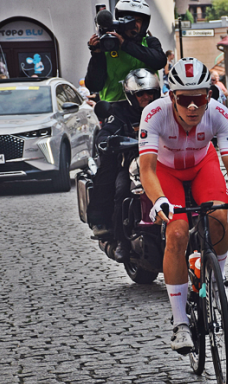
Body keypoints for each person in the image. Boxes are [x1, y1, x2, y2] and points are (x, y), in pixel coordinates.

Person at [137, 57, 228, 353]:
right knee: (177, 234)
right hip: (165, 172)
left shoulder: (219, 113)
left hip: (202, 165)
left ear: (209, 96)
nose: (192, 107)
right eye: (184, 100)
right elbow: (147, 169)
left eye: (199, 98)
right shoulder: (153, 114)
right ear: (171, 97)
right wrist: (160, 202)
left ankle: (218, 282)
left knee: (219, 217)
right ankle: (181, 323)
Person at [88, 68, 161, 261]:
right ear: (131, 95)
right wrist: (106, 140)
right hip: (132, 164)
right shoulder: (121, 112)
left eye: (150, 93)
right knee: (122, 190)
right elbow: (107, 130)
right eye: (141, 94)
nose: (147, 97)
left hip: (164, 161)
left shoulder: (165, 109)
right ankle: (122, 241)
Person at [85, 0, 165, 103]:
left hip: (147, 105)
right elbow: (94, 85)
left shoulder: (149, 42)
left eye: (138, 20)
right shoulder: (108, 44)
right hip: (115, 108)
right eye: (130, 20)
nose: (134, 24)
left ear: (144, 24)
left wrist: (125, 45)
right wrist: (96, 54)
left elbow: (160, 61)